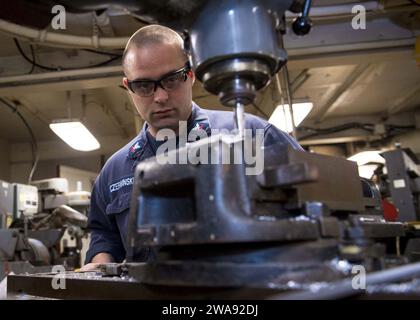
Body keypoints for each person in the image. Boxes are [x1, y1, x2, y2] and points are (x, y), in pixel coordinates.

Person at [82, 24, 302, 270]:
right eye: (144, 86)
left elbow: (314, 205)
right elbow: (104, 235)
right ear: (128, 87)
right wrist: (101, 263)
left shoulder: (254, 137)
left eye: (172, 79)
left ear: (191, 74)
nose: (160, 97)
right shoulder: (114, 171)